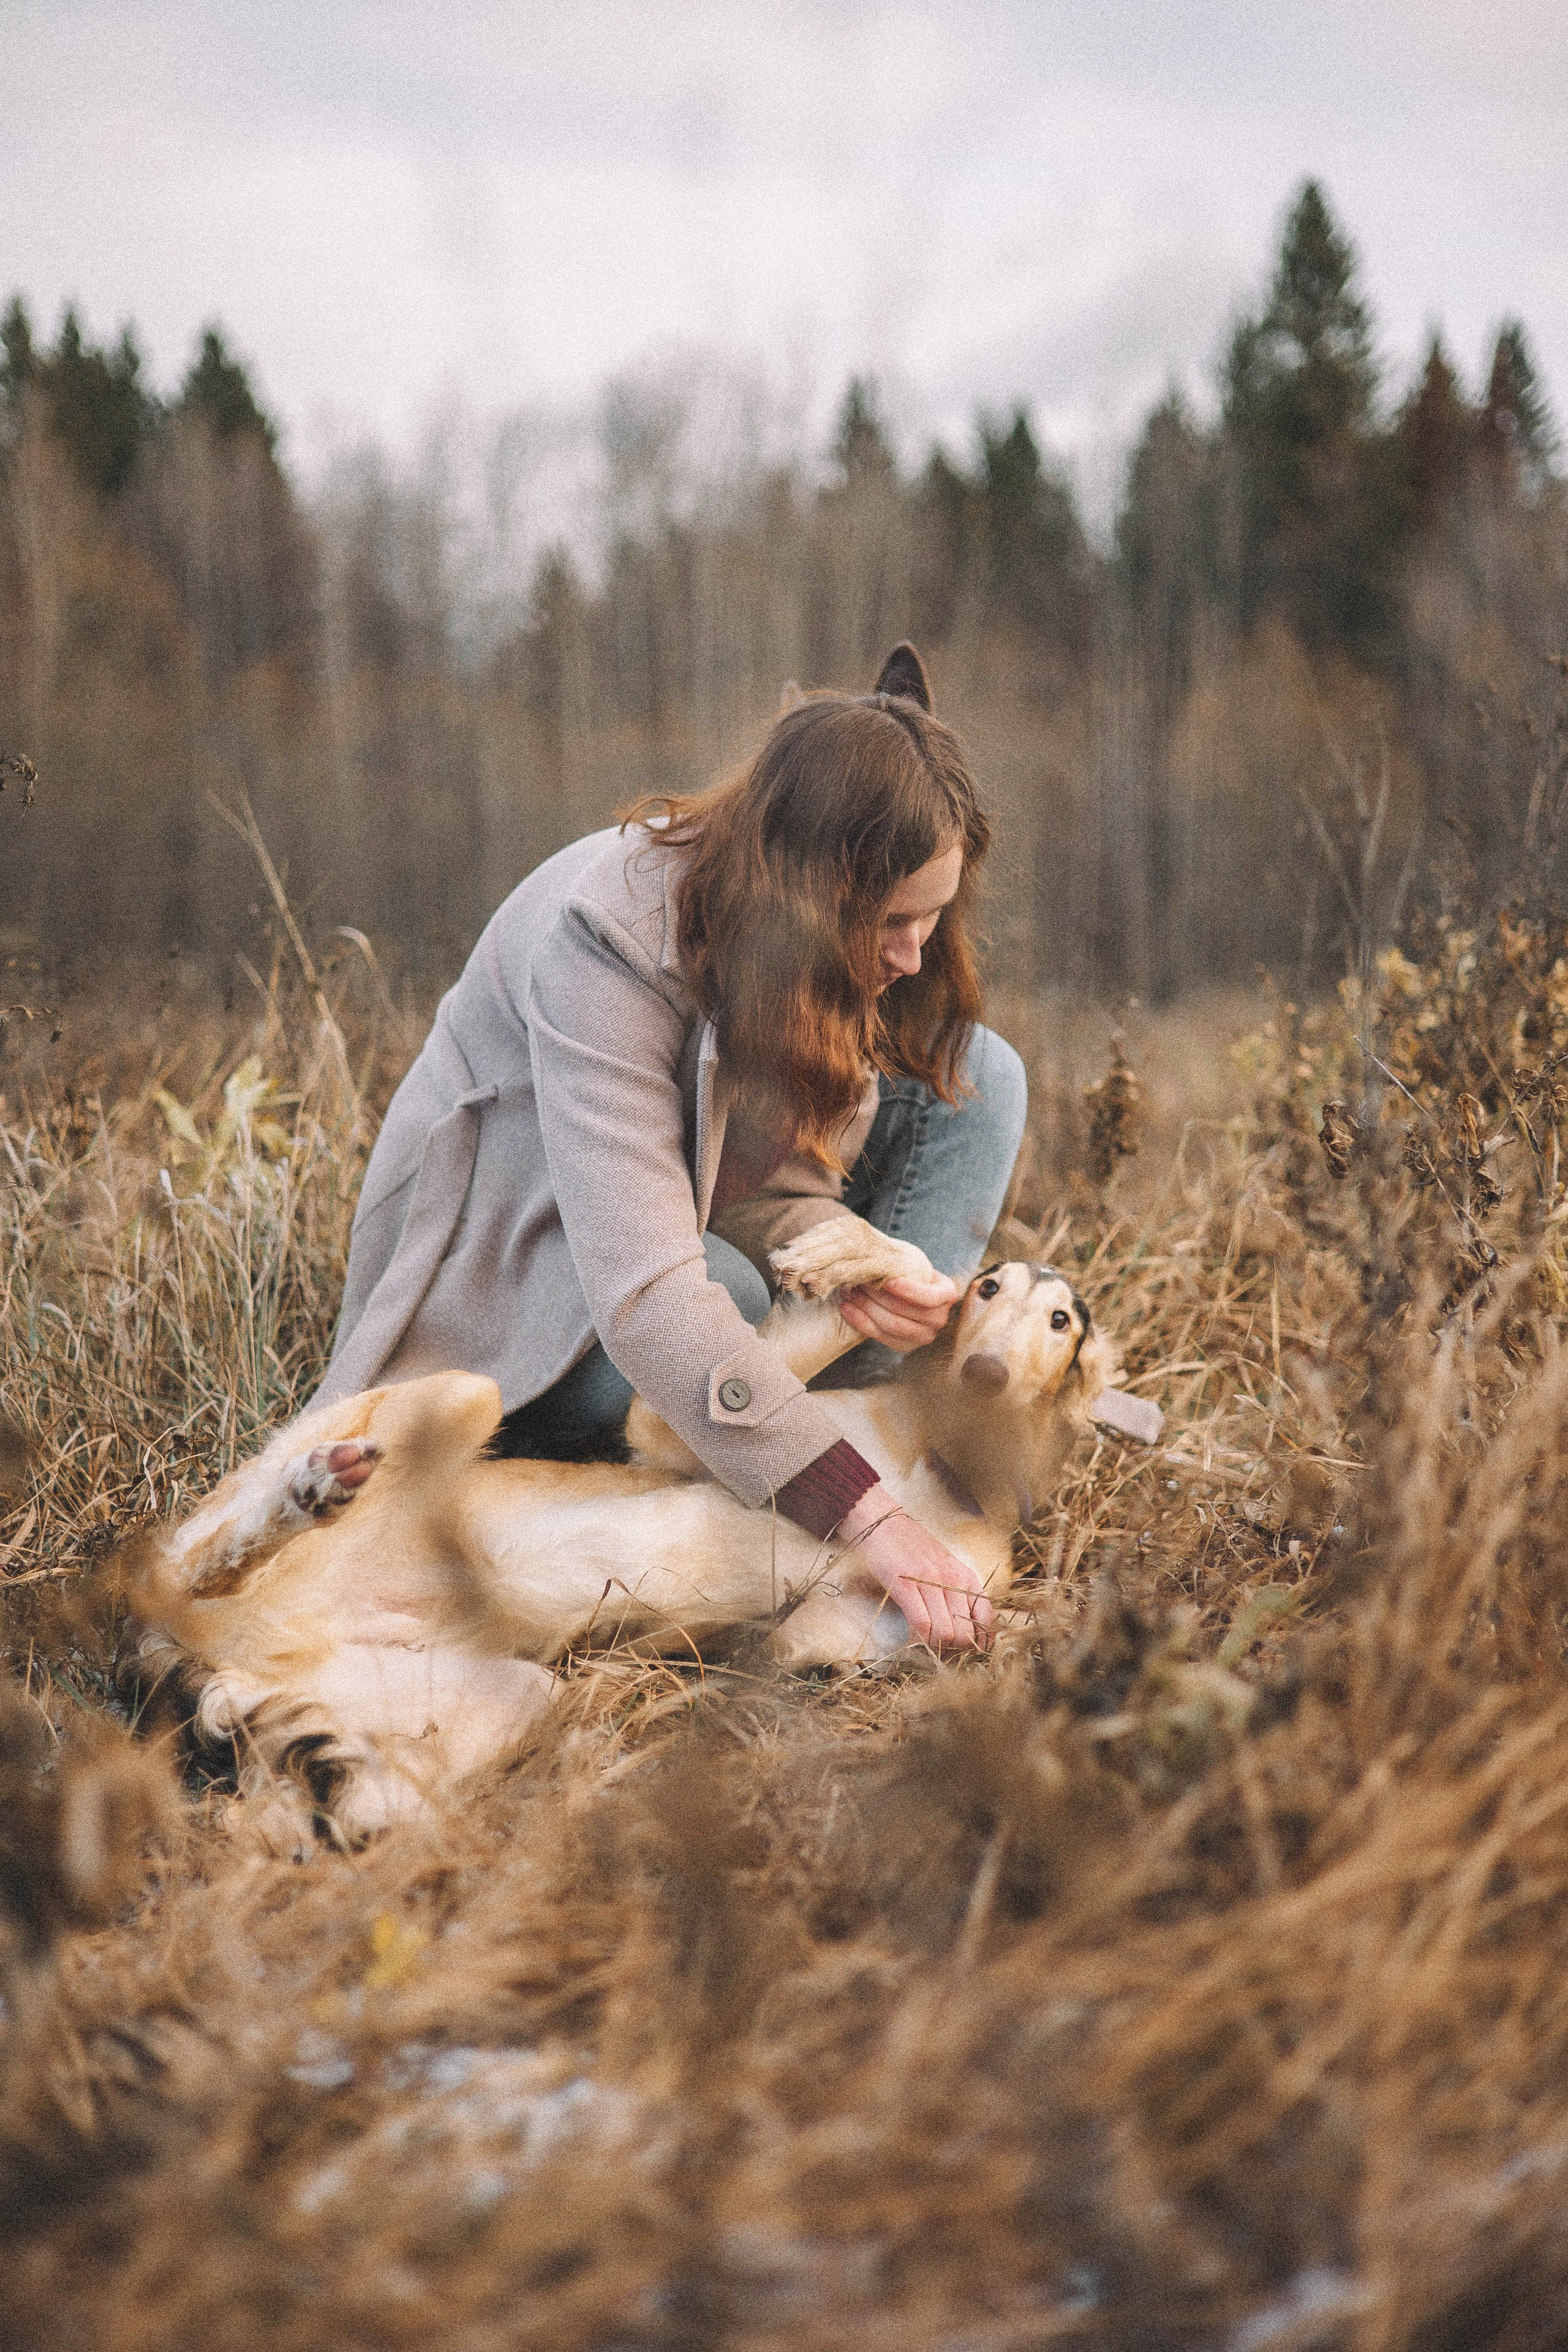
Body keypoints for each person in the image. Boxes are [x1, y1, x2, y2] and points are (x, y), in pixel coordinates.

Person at [315, 643, 1027, 1651]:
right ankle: (839, 1498)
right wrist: (880, 1523)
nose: (915, 956)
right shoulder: (605, 940)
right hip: (518, 1265)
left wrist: (859, 1260)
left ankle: (850, 1444)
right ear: (813, 885)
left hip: (675, 1229)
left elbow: (757, 1181)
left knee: (983, 1075)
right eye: (895, 923)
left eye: (935, 918)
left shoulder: (803, 948)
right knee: (723, 1295)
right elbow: (651, 1296)